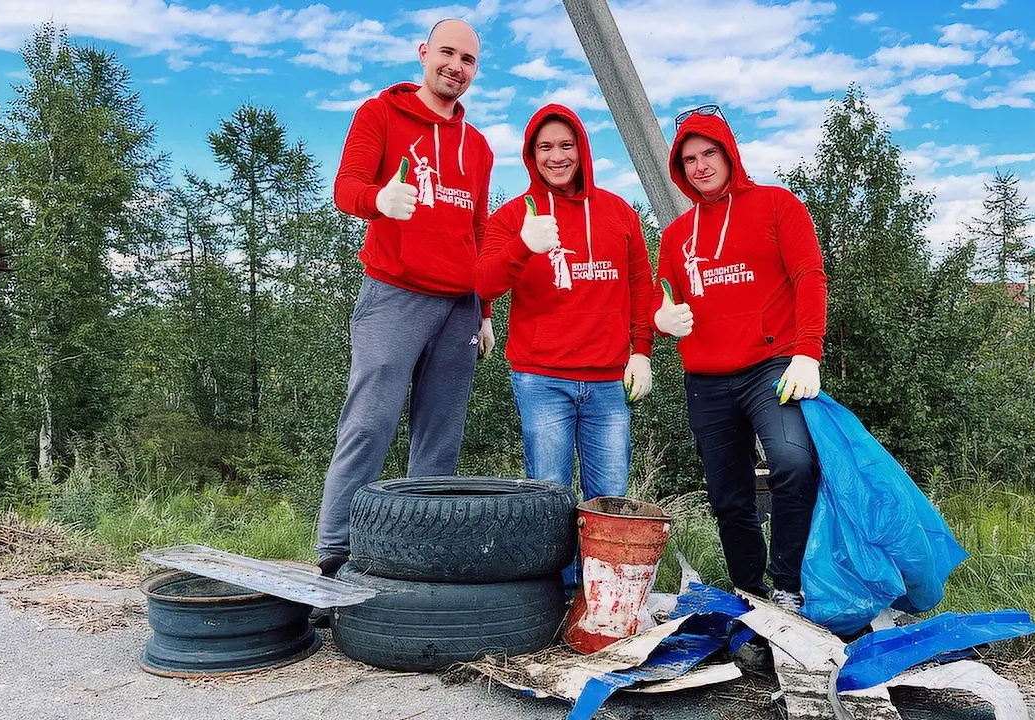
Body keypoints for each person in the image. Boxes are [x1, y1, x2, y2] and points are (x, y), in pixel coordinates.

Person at [315, 18, 495, 577]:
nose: (455, 67)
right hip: (393, 294)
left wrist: (484, 311)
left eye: (467, 60)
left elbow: (481, 230)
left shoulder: (480, 146)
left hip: (460, 306)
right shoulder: (379, 114)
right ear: (423, 53)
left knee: (440, 437)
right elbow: (345, 189)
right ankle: (335, 555)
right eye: (447, 53)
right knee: (370, 422)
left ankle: (413, 555)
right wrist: (380, 200)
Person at [652, 104, 827, 611]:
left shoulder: (778, 205)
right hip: (706, 377)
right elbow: (660, 298)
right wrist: (662, 318)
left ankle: (787, 585)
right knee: (729, 498)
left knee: (794, 463)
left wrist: (807, 354)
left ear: (729, 154)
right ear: (679, 170)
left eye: (709, 153)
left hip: (772, 367)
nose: (700, 165)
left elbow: (809, 278)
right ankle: (751, 594)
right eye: (688, 159)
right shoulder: (676, 234)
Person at [476, 104, 654, 585]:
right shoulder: (514, 215)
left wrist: (642, 351)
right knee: (551, 494)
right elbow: (484, 283)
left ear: (582, 149)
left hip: (607, 383)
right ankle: (554, 593)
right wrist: (522, 246)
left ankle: (599, 596)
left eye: (566, 145)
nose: (557, 156)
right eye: (546, 147)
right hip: (541, 379)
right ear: (532, 155)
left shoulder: (618, 212)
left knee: (609, 497)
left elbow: (641, 285)